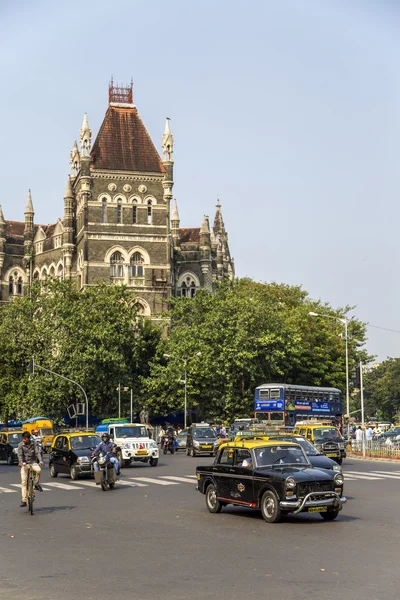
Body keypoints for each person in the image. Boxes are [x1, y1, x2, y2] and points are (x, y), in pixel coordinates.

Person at [17, 431, 44, 508]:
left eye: (25, 439)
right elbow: (20, 455)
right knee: (24, 482)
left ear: (29, 439)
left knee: (38, 470)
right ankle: (24, 500)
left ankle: (36, 484)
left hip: (33, 462)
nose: (24, 440)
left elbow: (37, 453)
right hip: (24, 464)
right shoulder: (20, 445)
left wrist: (41, 461)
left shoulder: (34, 443)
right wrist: (21, 462)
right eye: (23, 439)